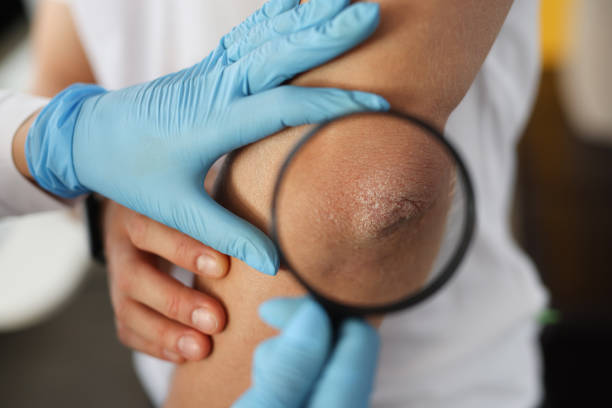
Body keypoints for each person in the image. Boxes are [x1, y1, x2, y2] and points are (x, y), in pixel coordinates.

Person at [32, 0, 549, 407]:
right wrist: (111, 194)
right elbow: (60, 82)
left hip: (430, 385)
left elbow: (357, 180)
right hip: (181, 366)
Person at [0, 0, 388, 406]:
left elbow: (350, 188)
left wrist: (79, 142)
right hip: (178, 357)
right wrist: (108, 194)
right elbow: (60, 77)